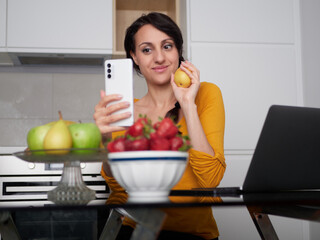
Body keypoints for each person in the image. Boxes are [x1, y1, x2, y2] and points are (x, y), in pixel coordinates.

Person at [94, 12, 226, 240]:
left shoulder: (205, 94)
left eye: (167, 46)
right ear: (134, 57)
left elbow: (209, 180)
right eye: (147, 49)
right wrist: (105, 139)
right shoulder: (123, 109)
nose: (159, 58)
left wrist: (187, 104)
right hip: (137, 230)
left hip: (194, 234)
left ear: (178, 51)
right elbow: (119, 189)